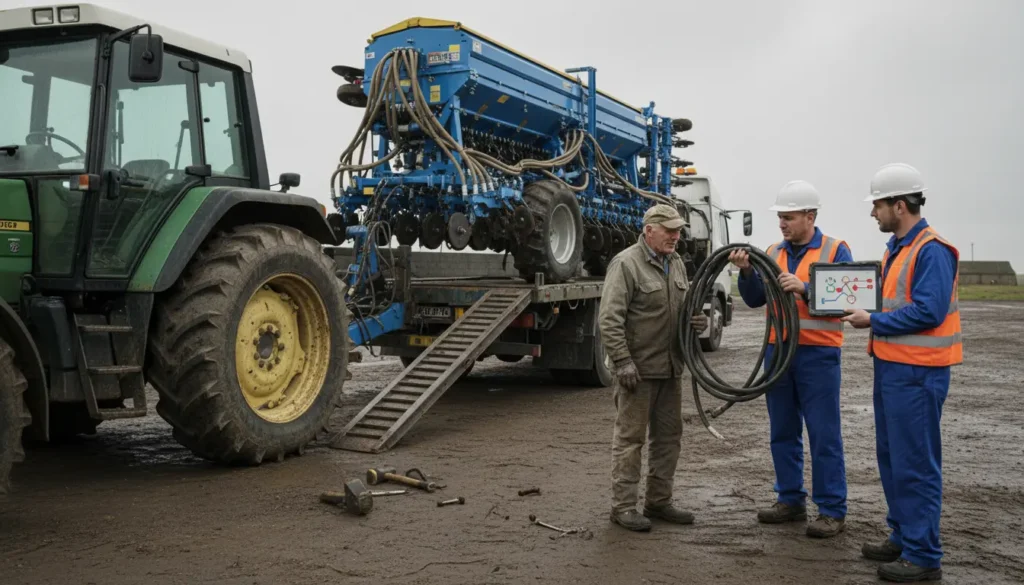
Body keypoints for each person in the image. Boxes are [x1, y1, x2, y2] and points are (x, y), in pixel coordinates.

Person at [841, 163, 960, 583]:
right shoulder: (899, 247)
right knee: (893, 457)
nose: (873, 214)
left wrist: (872, 320)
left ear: (899, 204)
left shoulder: (931, 249)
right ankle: (904, 536)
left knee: (916, 463)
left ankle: (924, 555)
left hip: (919, 372)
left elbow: (928, 309)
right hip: (894, 368)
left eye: (877, 206)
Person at [728, 180, 851, 538]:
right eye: (780, 217)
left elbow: (845, 299)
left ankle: (831, 510)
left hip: (818, 354)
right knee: (782, 430)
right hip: (778, 351)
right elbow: (754, 300)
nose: (782, 224)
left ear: (810, 216)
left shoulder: (835, 250)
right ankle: (790, 499)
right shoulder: (772, 252)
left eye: (789, 217)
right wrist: (747, 272)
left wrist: (806, 288)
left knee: (823, 433)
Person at [599, 203, 709, 532]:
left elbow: (682, 307)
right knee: (631, 440)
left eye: (678, 230)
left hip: (671, 369)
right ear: (650, 230)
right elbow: (609, 319)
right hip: (639, 371)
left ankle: (659, 501)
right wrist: (622, 362)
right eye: (670, 230)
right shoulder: (626, 264)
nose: (677, 236)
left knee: (669, 438)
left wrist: (698, 322)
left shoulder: (676, 263)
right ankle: (623, 508)